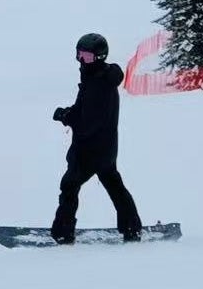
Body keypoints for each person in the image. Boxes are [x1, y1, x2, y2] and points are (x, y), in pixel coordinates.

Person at [50, 32, 143, 245]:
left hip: (89, 150)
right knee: (114, 185)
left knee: (69, 186)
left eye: (87, 57)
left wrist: (66, 117)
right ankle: (132, 228)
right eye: (79, 55)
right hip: (106, 148)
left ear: (99, 57)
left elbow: (87, 123)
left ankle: (63, 233)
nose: (82, 61)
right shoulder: (100, 79)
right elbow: (85, 110)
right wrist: (70, 113)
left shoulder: (97, 85)